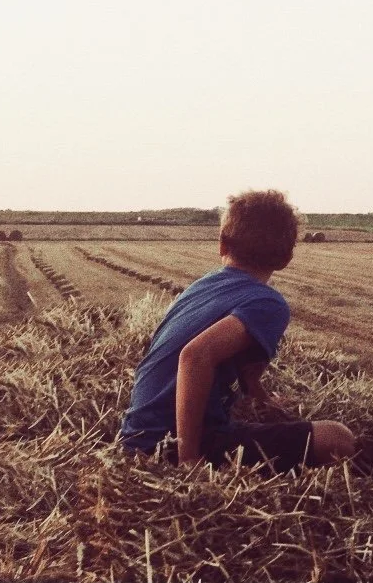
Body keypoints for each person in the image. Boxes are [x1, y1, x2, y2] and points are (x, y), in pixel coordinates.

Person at [120, 189, 355, 473]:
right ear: (287, 257)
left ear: (222, 245)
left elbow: (242, 364)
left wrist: (262, 399)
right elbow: (194, 357)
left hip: (136, 435)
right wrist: (188, 458)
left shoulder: (201, 287)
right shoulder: (268, 303)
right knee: (338, 438)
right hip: (168, 444)